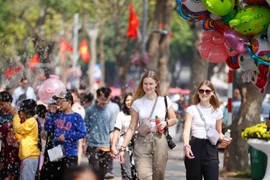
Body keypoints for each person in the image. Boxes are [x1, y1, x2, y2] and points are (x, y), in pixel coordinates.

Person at [119, 71, 176, 180]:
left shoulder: (164, 100)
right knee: (144, 175)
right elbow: (132, 127)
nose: (148, 86)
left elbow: (173, 119)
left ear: (156, 84)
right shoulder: (137, 103)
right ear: (142, 84)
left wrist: (165, 123)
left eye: (151, 84)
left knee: (158, 176)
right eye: (145, 84)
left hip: (160, 139)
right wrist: (122, 148)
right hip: (142, 141)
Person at [183, 80, 232, 180]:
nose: (204, 93)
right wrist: (186, 146)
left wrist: (224, 139)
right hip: (194, 147)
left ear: (213, 93)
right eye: (201, 91)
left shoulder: (217, 111)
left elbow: (219, 133)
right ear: (198, 92)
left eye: (207, 91)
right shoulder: (191, 109)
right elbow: (187, 130)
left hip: (211, 149)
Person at [44, 91, 87, 179]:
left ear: (69, 102)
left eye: (62, 101)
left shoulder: (76, 116)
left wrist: (66, 136)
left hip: (69, 152)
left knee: (68, 177)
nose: (59, 103)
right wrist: (50, 114)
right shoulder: (56, 115)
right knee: (54, 176)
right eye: (58, 101)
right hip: (56, 151)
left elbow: (82, 133)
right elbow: (47, 128)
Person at [83, 87, 114, 180]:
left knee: (102, 173)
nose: (103, 102)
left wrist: (112, 146)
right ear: (97, 97)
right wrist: (85, 144)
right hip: (93, 145)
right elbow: (86, 128)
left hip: (105, 146)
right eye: (101, 99)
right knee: (94, 170)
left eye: (106, 99)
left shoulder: (110, 112)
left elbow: (111, 131)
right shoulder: (90, 110)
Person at [111, 93, 136, 180]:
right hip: (123, 146)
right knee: (126, 171)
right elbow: (116, 130)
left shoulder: (139, 114)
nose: (129, 102)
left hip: (137, 145)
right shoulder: (121, 114)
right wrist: (113, 146)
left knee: (136, 172)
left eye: (131, 100)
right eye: (127, 100)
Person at [13, 99, 40, 180]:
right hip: (27, 155)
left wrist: (16, 117)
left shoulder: (31, 121)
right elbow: (22, 136)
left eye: (22, 111)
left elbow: (19, 129)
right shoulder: (29, 121)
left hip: (30, 155)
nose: (20, 113)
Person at [0, 91, 20, 180]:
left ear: (9, 102)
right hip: (3, 147)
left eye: (2, 104)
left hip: (14, 148)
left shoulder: (17, 114)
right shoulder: (1, 114)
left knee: (11, 173)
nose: (1, 107)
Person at [105, 93, 120, 179]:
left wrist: (117, 133)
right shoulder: (99, 107)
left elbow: (118, 118)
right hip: (103, 132)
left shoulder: (115, 106)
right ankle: (104, 169)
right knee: (104, 151)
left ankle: (109, 170)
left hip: (113, 131)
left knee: (111, 150)